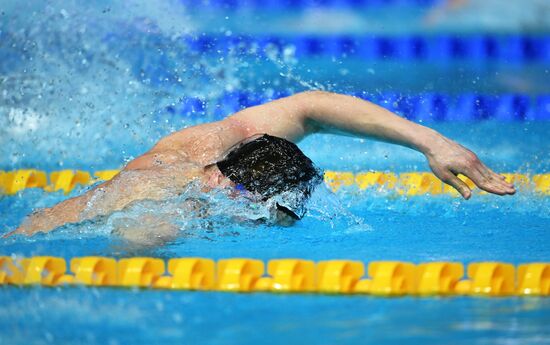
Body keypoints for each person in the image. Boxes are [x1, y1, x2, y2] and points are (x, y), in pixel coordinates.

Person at [9, 91, 515, 238]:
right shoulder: (159, 189)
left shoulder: (245, 141)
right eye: (256, 212)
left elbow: (312, 105)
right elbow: (56, 220)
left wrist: (434, 142)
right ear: (227, 186)